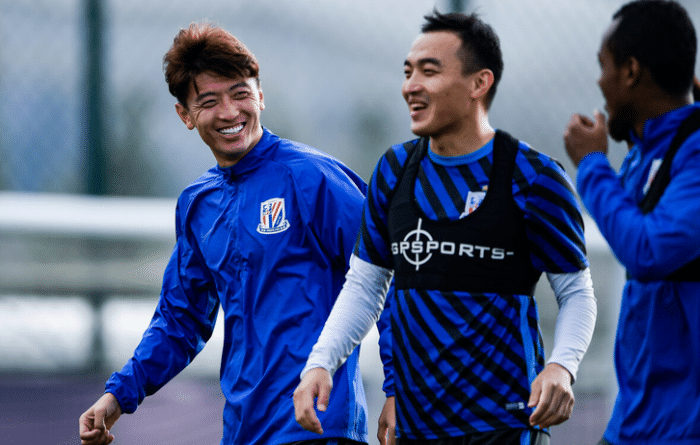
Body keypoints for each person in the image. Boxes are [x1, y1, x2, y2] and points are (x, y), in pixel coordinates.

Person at [295, 10, 597, 445]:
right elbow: (365, 286)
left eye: (429, 71)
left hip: (505, 424)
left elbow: (576, 292)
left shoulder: (533, 177)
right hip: (416, 425)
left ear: (479, 83)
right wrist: (321, 363)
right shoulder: (394, 170)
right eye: (408, 72)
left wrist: (561, 366)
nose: (411, 86)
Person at [78, 22, 376, 445]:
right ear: (185, 115)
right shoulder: (199, 204)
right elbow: (181, 319)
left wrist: (399, 388)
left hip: (319, 427)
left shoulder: (314, 178)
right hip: (242, 431)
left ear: (260, 96)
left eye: (240, 94)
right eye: (209, 101)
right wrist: (119, 395)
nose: (230, 112)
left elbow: (386, 274)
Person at [563, 1, 700, 444]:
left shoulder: (695, 152)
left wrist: (591, 165)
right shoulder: (648, 152)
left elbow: (648, 250)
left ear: (630, 71)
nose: (599, 81)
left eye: (603, 65)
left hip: (682, 427)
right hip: (634, 421)